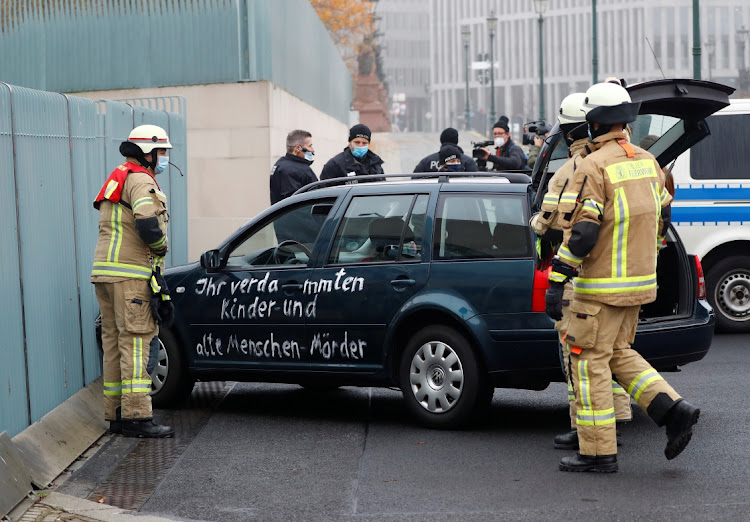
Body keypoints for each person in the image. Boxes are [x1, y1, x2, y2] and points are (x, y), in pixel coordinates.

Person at [545, 82, 699, 473]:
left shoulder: (594, 166)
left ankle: (598, 454)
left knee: (586, 361)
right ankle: (673, 410)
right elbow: (663, 216)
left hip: (598, 288)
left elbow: (583, 233)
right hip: (639, 284)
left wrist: (558, 278)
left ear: (594, 124)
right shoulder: (647, 161)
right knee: (617, 354)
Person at [530, 92, 632, 452]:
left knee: (578, 359)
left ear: (570, 132)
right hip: (624, 279)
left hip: (580, 279)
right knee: (614, 355)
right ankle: (617, 418)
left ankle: (585, 430)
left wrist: (536, 225)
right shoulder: (624, 161)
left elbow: (553, 221)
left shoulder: (572, 171)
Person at [91, 124, 175, 438]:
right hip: (131, 276)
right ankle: (138, 417)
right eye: (162, 151)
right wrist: (160, 247)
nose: (164, 158)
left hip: (105, 274)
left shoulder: (119, 176)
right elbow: (148, 223)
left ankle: (116, 416)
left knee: (113, 345)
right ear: (147, 152)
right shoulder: (141, 180)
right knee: (137, 343)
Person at [320, 123, 385, 182]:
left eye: (364, 143)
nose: (360, 146)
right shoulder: (335, 165)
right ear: (350, 142)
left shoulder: (375, 164)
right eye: (357, 142)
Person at [269, 129, 318, 205]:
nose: (312, 150)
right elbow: (294, 203)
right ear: (298, 148)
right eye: (310, 146)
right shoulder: (291, 170)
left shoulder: (282, 164)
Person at [413, 127, 478, 173]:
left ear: (441, 140)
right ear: (456, 141)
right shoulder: (468, 162)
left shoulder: (426, 161)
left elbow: (415, 181)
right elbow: (477, 183)